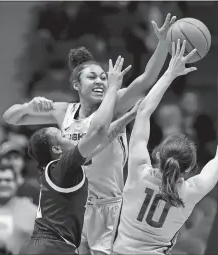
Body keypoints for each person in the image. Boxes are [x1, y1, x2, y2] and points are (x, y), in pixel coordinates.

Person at [3, 14, 179, 255]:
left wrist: (162, 44)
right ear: (76, 84)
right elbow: (10, 117)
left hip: (107, 205)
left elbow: (146, 79)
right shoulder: (63, 110)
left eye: (104, 77)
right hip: (72, 207)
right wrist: (27, 106)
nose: (100, 81)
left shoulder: (114, 103)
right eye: (92, 77)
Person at [111, 41, 218, 255]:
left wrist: (170, 72)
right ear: (189, 169)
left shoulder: (138, 172)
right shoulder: (191, 191)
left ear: (158, 154)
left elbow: (143, 112)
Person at [18, 56, 138, 255]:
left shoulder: (52, 170)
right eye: (61, 135)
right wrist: (118, 92)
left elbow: (103, 139)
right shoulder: (66, 166)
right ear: (56, 149)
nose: (65, 134)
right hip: (53, 248)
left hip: (35, 245)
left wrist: (129, 116)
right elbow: (100, 133)